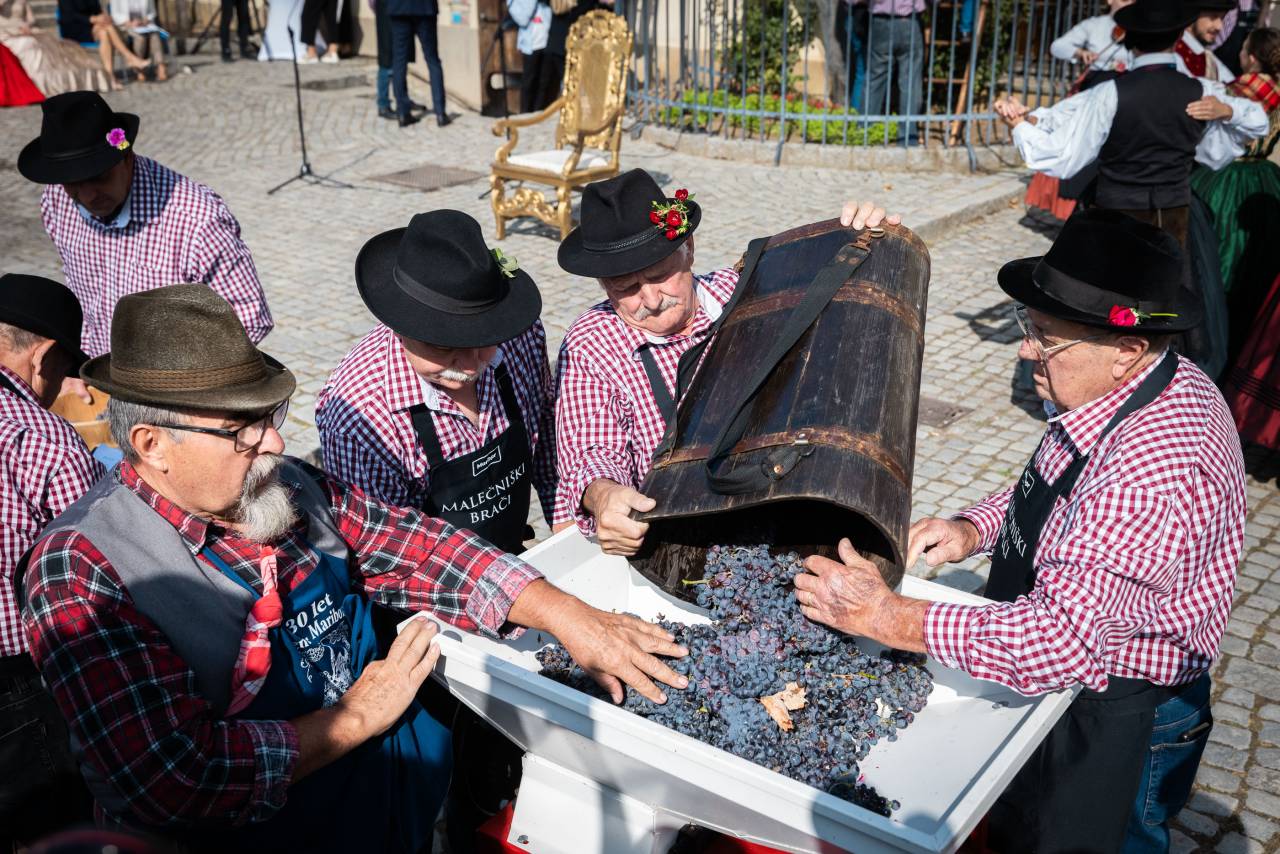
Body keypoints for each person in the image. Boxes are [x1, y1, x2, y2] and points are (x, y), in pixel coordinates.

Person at [20, 284, 690, 849]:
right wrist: (354, 718)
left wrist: (569, 616)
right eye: (242, 429)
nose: (275, 441)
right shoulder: (82, 570)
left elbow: (421, 548)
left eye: (271, 415)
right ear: (151, 445)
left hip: (380, 815)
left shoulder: (289, 486)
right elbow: (172, 777)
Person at [793, 209, 1246, 853]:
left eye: (1046, 339)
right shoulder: (1119, 392)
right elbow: (1062, 488)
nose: (1026, 350)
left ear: (1126, 349)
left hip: (1125, 709)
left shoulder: (1152, 467)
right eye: (1026, 326)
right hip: (1079, 686)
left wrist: (885, 616)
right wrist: (971, 528)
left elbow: (1055, 641)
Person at [553, 168, 897, 555]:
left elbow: (840, 301)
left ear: (688, 249)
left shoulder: (749, 292)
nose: (651, 300)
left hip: (785, 505)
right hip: (676, 537)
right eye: (626, 288)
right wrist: (604, 494)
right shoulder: (590, 341)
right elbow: (592, 451)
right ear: (603, 284)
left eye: (660, 275)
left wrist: (862, 235)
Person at [317, 210, 558, 553]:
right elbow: (386, 552)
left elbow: (548, 438)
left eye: (484, 340)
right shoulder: (359, 419)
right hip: (432, 579)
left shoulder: (521, 336)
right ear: (400, 328)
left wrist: (567, 531)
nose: (470, 366)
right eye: (445, 348)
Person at [17, 91, 274, 382]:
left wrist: (179, 382)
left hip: (175, 385)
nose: (87, 196)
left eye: (99, 177)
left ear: (126, 158)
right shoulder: (56, 201)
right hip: (95, 373)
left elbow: (250, 318)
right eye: (72, 183)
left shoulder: (197, 221)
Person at [0, 273, 102, 849]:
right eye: (64, 372)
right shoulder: (45, 441)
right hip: (15, 688)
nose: (61, 387)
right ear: (43, 358)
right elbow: (94, 570)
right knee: (49, 828)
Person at [1189, 26, 1280, 355]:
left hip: (1225, 178)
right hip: (1265, 176)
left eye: (1243, 49)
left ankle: (1213, 331)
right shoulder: (1277, 88)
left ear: (1251, 57)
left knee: (1214, 255)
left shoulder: (1234, 90)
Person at [0, 0, 111, 95]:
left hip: (25, 31)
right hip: (6, 32)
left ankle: (72, 81)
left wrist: (27, 25)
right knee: (29, 44)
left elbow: (31, 19)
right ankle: (38, 84)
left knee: (55, 45)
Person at [864, 0, 924, 145]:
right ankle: (907, 137)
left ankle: (866, 133)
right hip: (909, 21)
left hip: (880, 21)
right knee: (910, 82)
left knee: (875, 80)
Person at [56, 0, 150, 89]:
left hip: (93, 26)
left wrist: (104, 17)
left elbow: (97, 9)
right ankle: (129, 59)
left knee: (105, 31)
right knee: (106, 29)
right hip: (74, 28)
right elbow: (69, 15)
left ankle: (110, 78)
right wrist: (93, 19)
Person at [387, 0, 447, 126]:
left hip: (399, 8)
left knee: (399, 61)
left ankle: (403, 112)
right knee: (432, 60)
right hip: (424, 8)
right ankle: (440, 112)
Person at [1049, 0, 1135, 74]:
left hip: (1131, 80)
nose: (1130, 4)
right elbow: (1057, 46)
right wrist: (1080, 52)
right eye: (1124, 0)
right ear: (1110, 0)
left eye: (1134, 2)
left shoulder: (1137, 28)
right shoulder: (1092, 24)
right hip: (1098, 79)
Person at [1178, 0, 1238, 82]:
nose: (1219, 26)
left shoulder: (1207, 56)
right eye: (1213, 17)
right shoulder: (1177, 54)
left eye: (1222, 18)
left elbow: (1229, 80)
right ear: (1192, 15)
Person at [108, 0, 168, 81]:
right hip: (125, 26)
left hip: (144, 24)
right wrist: (128, 23)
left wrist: (145, 20)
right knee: (140, 38)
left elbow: (152, 12)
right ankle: (139, 69)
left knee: (154, 35)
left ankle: (161, 66)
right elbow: (114, 15)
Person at [510, 0, 553, 113]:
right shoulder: (513, 2)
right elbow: (523, 19)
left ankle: (538, 113)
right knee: (529, 81)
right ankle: (525, 114)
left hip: (547, 42)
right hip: (531, 45)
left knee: (544, 82)